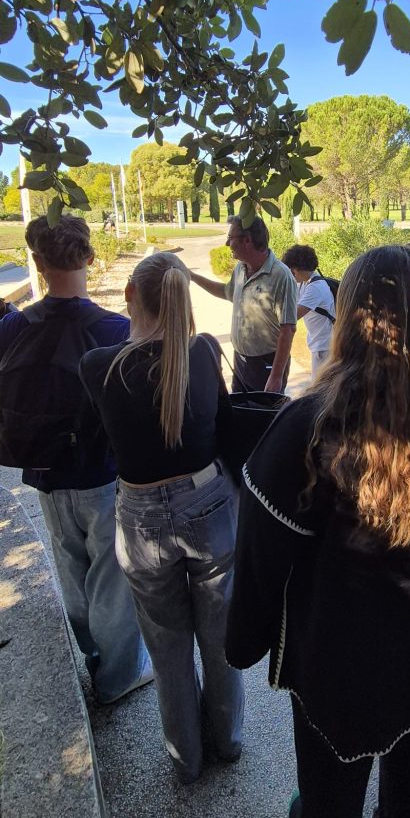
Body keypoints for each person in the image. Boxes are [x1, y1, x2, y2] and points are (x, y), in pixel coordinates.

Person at [226, 246, 410, 818]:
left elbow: (262, 552)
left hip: (337, 661)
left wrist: (243, 641)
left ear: (350, 313)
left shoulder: (307, 424)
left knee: (328, 802)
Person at [80, 252, 244, 784]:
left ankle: (186, 759)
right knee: (219, 641)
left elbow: (99, 442)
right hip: (210, 505)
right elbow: (220, 427)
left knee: (168, 649)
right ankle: (229, 741)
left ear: (130, 294)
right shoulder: (202, 350)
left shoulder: (98, 365)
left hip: (140, 516)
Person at [0, 215, 151, 704]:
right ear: (89, 258)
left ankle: (89, 657)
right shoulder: (114, 328)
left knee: (70, 567)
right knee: (111, 574)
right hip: (102, 473)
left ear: (39, 264)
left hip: (43, 472)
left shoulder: (13, 327)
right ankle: (117, 676)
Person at [189, 215, 297, 393]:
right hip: (240, 361)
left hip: (266, 364)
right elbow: (226, 292)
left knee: (263, 416)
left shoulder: (281, 276)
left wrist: (276, 377)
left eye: (230, 238)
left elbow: (288, 330)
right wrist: (193, 277)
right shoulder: (240, 268)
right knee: (239, 414)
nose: (226, 244)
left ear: (247, 240)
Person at [282, 244, 334, 377]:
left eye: (292, 271)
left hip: (325, 347)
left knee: (319, 389)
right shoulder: (306, 283)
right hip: (318, 344)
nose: (291, 275)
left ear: (299, 269)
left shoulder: (316, 288)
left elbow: (292, 316)